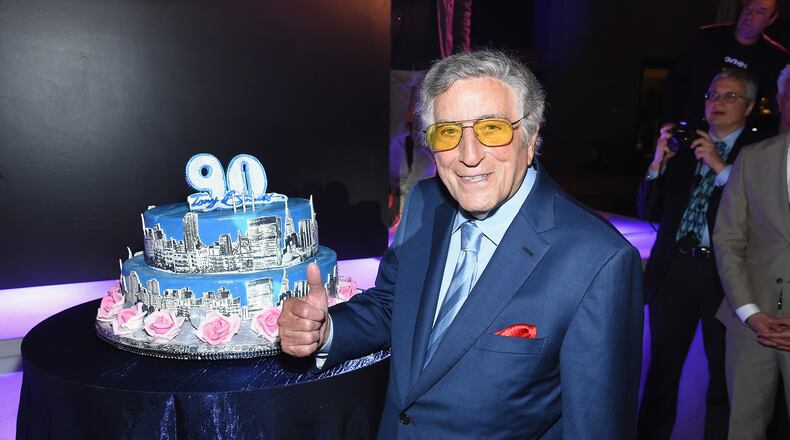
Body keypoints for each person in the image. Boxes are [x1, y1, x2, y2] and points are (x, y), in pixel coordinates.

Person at [278, 50, 644, 438]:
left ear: (531, 135)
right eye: (449, 132)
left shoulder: (598, 260)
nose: (468, 156)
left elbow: (598, 427)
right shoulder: (424, 203)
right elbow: (392, 305)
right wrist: (327, 330)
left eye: (492, 129)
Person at [637, 67, 767, 439]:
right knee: (662, 371)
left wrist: (721, 168)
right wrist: (658, 162)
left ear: (750, 106)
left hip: (725, 276)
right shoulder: (686, 145)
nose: (717, 104)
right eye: (712, 95)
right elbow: (648, 211)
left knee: (723, 374)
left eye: (730, 97)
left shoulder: (758, 153)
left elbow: (761, 217)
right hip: (674, 270)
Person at [712, 64, 790, 439]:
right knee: (742, 429)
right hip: (749, 326)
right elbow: (728, 239)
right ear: (781, 101)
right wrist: (750, 313)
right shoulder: (753, 159)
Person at [389, 0, 472, 224]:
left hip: (434, 62)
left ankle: (417, 209)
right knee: (392, 135)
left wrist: (460, 59)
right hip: (393, 58)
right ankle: (393, 200)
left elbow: (462, 11)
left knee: (427, 138)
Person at [661, 0, 787, 131]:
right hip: (691, 127)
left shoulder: (775, 58)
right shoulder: (706, 38)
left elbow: (779, 105)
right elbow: (674, 83)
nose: (750, 15)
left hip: (736, 137)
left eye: (760, 12)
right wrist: (668, 123)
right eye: (748, 8)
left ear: (771, 19)